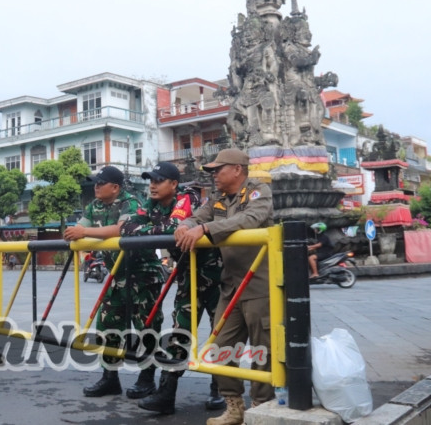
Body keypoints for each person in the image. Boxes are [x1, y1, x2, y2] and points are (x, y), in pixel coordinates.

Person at [174, 148, 274, 425]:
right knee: (218, 348)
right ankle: (234, 406)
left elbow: (250, 219)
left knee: (263, 350)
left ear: (237, 170)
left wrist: (206, 230)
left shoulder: (258, 191)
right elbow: (196, 217)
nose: (213, 174)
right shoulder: (217, 199)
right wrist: (185, 225)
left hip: (260, 283)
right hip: (230, 285)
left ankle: (261, 408)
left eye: (218, 169)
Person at [130, 164, 226, 415]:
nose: (152, 185)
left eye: (158, 180)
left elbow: (174, 229)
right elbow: (128, 228)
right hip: (187, 277)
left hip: (216, 277)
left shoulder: (187, 199)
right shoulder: (151, 204)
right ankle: (166, 393)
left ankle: (221, 389)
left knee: (221, 333)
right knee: (179, 333)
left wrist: (149, 231)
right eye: (150, 180)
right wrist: (154, 231)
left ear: (173, 184)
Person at [63, 165, 154, 399]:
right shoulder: (94, 205)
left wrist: (84, 232)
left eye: (100, 183)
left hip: (141, 273)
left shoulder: (131, 202)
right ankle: (110, 378)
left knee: (145, 326)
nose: (95, 187)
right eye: (95, 183)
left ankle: (147, 379)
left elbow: (121, 230)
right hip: (116, 275)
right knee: (108, 325)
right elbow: (81, 228)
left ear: (115, 187)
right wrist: (75, 232)